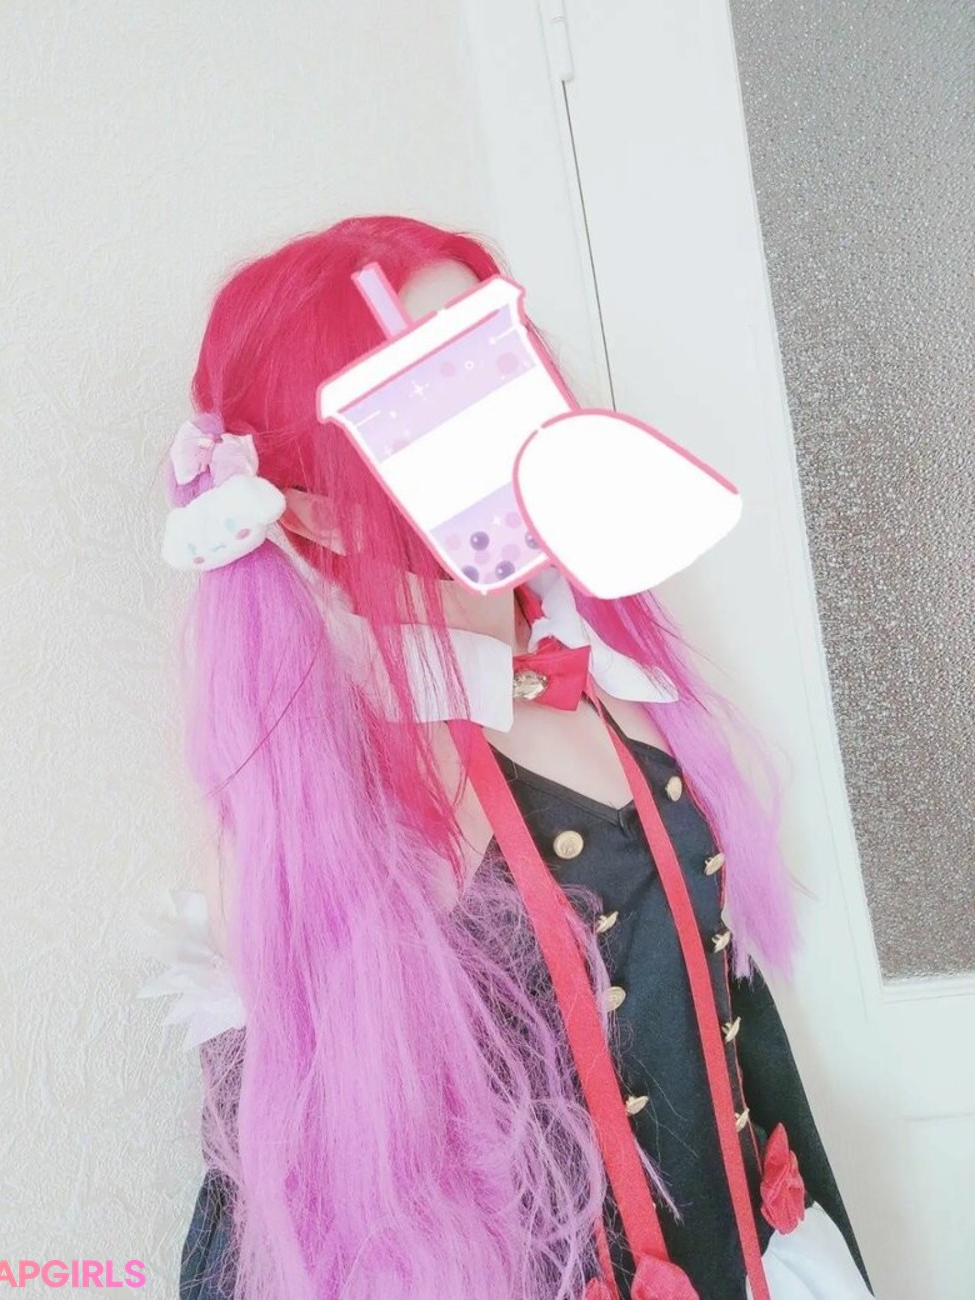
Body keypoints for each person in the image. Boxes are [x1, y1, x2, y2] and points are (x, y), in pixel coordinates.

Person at [146, 215, 875, 1300]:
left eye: (500, 358)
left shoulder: (608, 673)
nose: (512, 427)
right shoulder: (339, 803)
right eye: (431, 399)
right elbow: (317, 1205)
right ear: (313, 513)